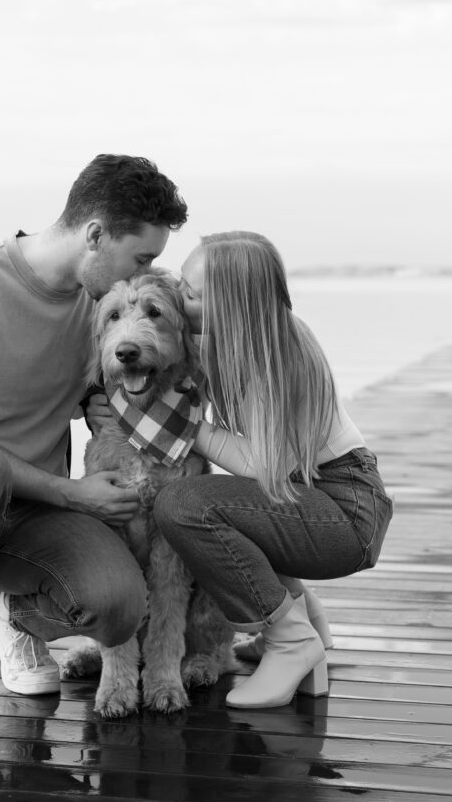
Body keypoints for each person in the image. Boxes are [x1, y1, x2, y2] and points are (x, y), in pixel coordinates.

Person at [0, 154, 188, 753]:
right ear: (95, 235)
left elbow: (130, 368)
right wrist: (76, 494)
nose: (147, 271)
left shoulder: (99, 312)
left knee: (119, 604)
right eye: (142, 258)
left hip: (32, 516)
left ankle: (14, 613)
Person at [149, 230, 394, 709]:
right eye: (181, 280)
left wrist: (181, 426)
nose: (179, 296)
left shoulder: (277, 357)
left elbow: (263, 469)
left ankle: (291, 641)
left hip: (347, 513)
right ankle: (310, 629)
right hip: (328, 493)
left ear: (232, 306)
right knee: (228, 502)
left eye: (192, 294)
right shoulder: (250, 339)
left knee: (183, 504)